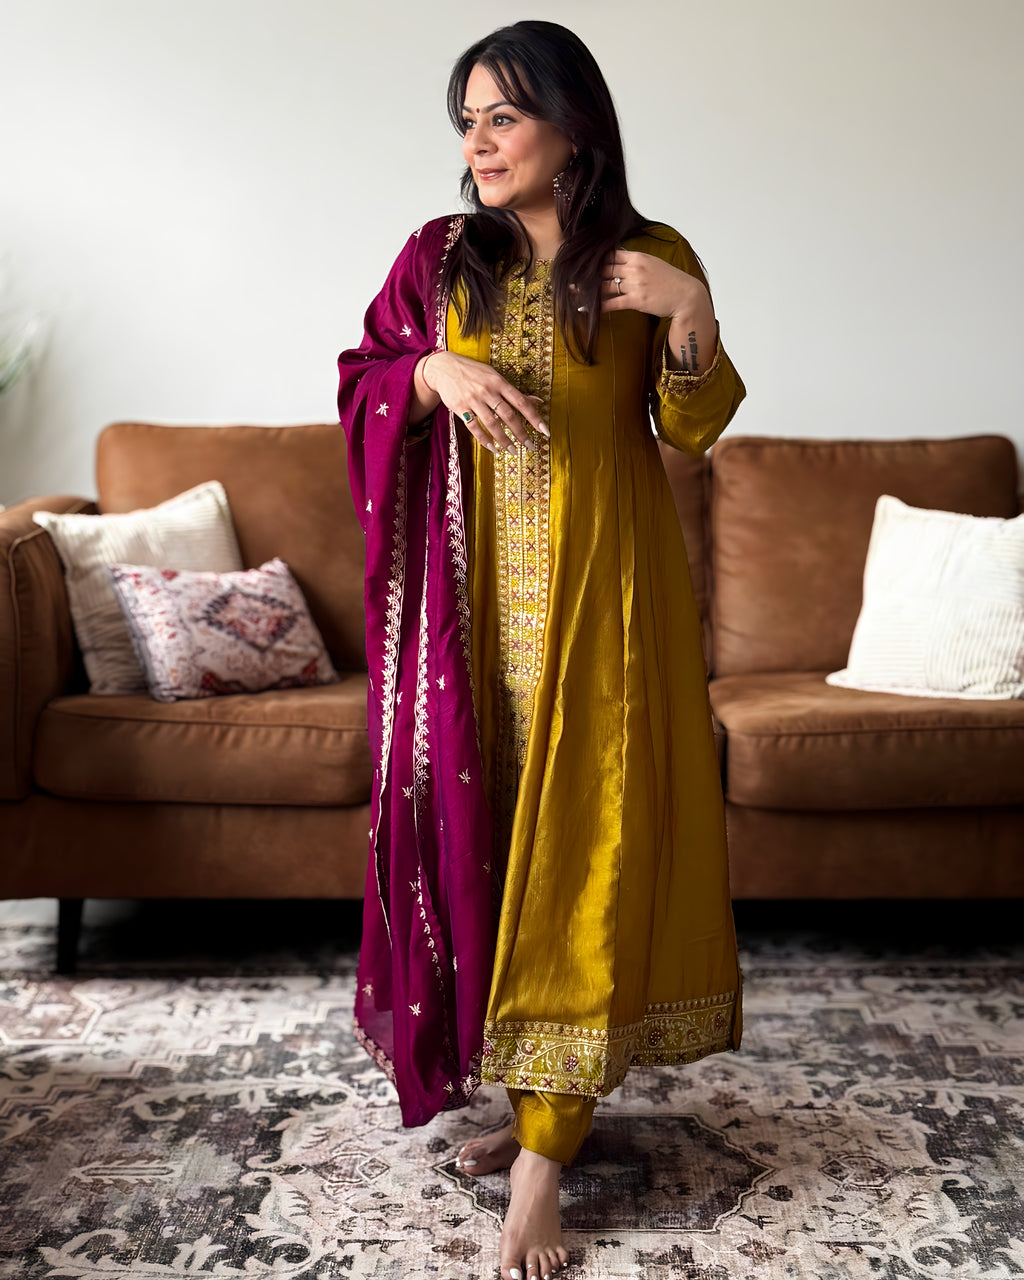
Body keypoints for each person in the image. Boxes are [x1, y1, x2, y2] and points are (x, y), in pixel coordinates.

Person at [337, 20, 745, 1280]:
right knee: (494, 844)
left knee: (584, 854)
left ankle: (542, 1160)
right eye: (467, 118)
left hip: (603, 605)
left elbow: (691, 428)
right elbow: (363, 379)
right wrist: (429, 374)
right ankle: (534, 1102)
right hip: (465, 618)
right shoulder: (440, 258)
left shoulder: (649, 258)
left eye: (503, 115)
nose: (479, 140)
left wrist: (692, 312)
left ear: (574, 125)